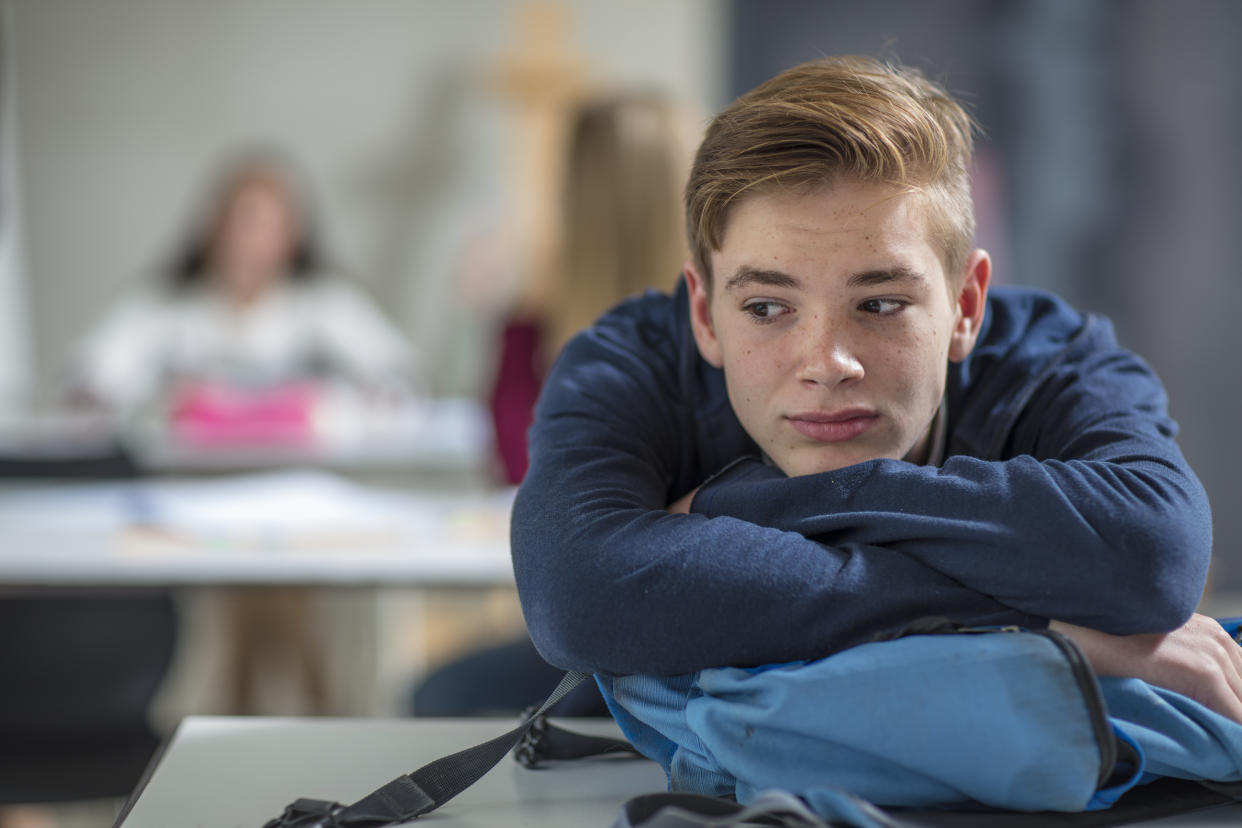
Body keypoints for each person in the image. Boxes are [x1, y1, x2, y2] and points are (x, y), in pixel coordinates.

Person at [510, 55, 1242, 724]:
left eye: (880, 304)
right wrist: (1029, 623)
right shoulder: (633, 358)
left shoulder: (1054, 360)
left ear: (964, 306)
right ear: (703, 312)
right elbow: (576, 597)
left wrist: (734, 508)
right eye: (767, 308)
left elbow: (1155, 557)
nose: (828, 363)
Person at [68, 151, 419, 428]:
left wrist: (323, 409)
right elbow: (92, 380)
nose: (246, 240)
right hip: (181, 483)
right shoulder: (163, 306)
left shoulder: (327, 304)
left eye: (264, 225)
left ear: (293, 236)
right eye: (237, 221)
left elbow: (400, 377)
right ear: (210, 227)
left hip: (303, 486)